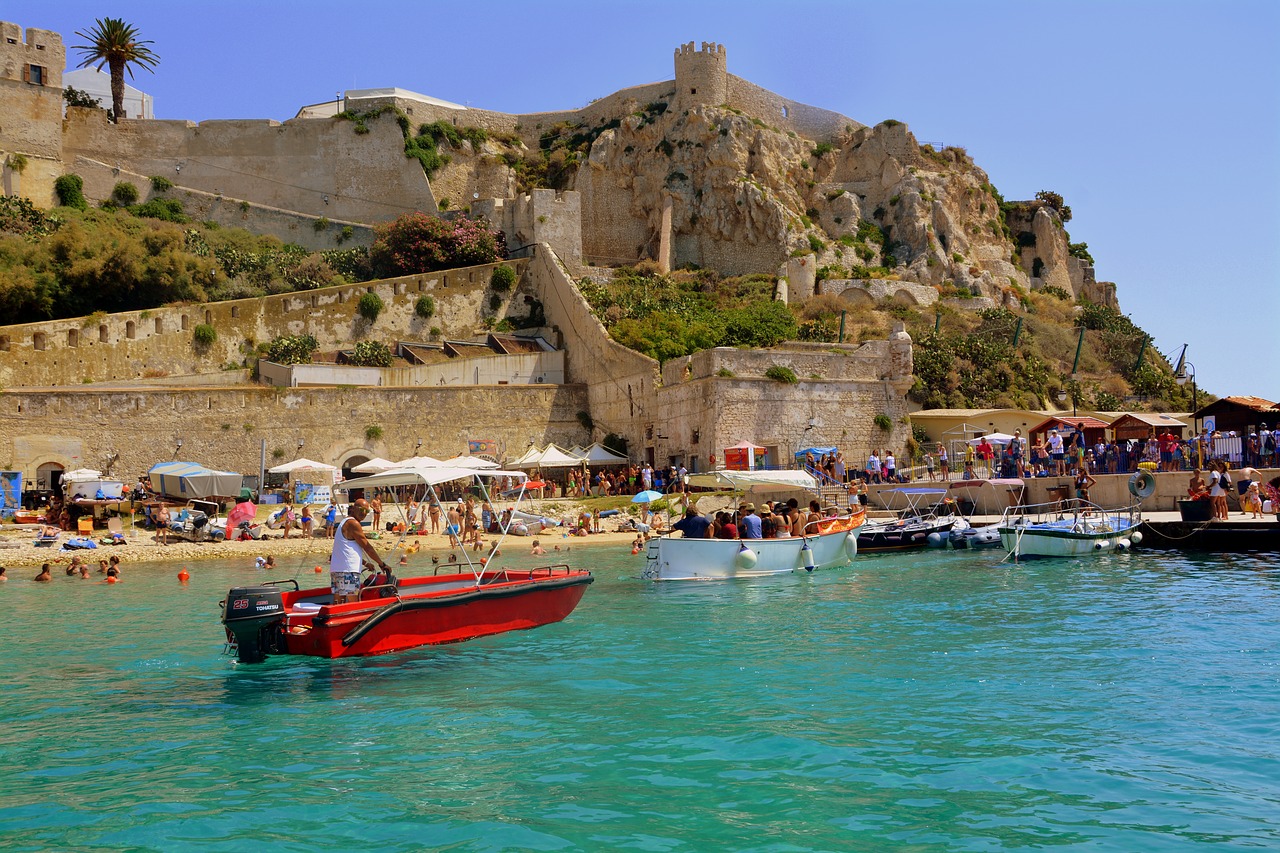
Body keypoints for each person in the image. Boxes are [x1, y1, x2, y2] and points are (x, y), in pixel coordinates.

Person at [330, 498, 389, 605]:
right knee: (354, 603)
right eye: (361, 510)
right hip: (348, 571)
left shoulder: (344, 522)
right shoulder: (353, 523)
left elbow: (347, 551)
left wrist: (365, 563)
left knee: (338, 603)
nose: (364, 513)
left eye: (367, 511)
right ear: (353, 509)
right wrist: (382, 564)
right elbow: (367, 547)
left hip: (339, 569)